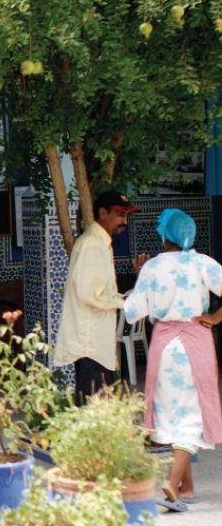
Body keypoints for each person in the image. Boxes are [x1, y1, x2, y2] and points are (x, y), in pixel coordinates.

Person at [124, 208, 222, 511]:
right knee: (192, 416)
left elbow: (131, 312)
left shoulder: (152, 267)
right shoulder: (201, 263)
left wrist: (140, 275)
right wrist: (214, 317)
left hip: (164, 348)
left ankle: (185, 488)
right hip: (196, 342)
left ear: (164, 236)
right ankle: (172, 482)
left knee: (175, 415)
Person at [54, 191, 147, 403]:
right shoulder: (92, 245)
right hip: (90, 344)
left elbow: (100, 291)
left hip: (98, 343)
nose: (124, 220)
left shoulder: (101, 243)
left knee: (99, 408)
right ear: (103, 213)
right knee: (90, 408)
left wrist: (122, 298)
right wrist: (123, 302)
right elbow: (88, 293)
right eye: (119, 214)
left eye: (127, 215)